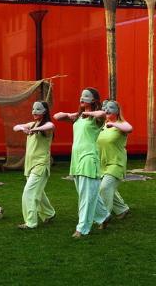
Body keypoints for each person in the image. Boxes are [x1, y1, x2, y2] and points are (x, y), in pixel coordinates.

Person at [53, 88, 110, 238]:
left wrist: (88, 113)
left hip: (89, 157)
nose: (82, 98)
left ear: (93, 100)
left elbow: (103, 114)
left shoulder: (95, 118)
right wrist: (73, 114)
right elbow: (57, 116)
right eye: (82, 95)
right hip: (76, 158)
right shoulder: (78, 117)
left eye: (86, 96)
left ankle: (82, 228)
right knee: (87, 192)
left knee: (85, 196)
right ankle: (104, 216)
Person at [13, 101, 56, 229]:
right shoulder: (31, 124)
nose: (34, 111)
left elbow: (51, 125)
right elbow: (16, 127)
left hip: (40, 164)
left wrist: (36, 129)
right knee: (39, 192)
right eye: (33, 109)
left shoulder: (46, 127)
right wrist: (24, 128)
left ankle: (30, 222)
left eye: (38, 109)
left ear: (44, 111)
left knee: (29, 192)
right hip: (30, 165)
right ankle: (49, 213)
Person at [97, 100, 132, 219]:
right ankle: (122, 209)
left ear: (117, 111)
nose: (107, 110)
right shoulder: (102, 125)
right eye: (106, 108)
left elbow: (129, 128)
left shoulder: (121, 124)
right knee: (106, 188)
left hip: (116, 163)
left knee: (105, 187)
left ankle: (104, 217)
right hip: (102, 164)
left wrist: (114, 124)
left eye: (111, 107)